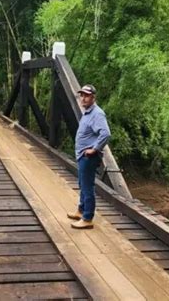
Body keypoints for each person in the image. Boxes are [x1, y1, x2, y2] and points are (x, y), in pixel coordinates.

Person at [68, 84, 111, 229]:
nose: (83, 98)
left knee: (87, 187)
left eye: (86, 95)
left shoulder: (97, 114)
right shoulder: (88, 112)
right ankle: (81, 210)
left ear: (93, 97)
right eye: (82, 95)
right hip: (82, 156)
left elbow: (105, 133)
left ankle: (87, 218)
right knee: (82, 184)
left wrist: (94, 149)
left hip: (88, 157)